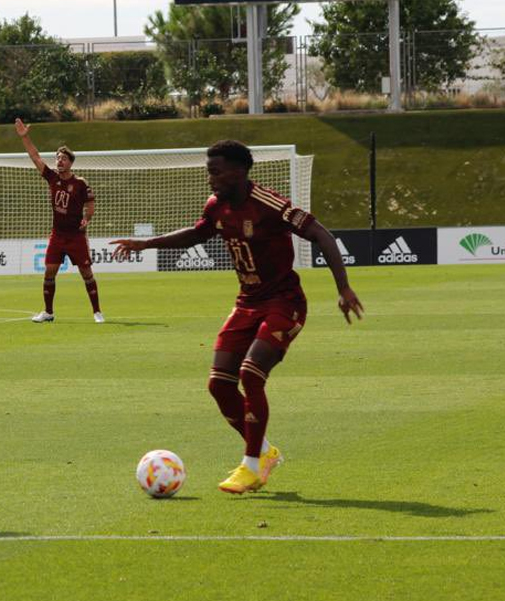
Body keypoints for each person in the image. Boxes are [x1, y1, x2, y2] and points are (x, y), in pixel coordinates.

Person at [111, 140, 364, 495]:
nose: (210, 179)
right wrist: (145, 244)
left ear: (239, 171)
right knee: (219, 384)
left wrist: (344, 287)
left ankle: (250, 466)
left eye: (216, 172)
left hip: (283, 302)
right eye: (208, 172)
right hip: (246, 304)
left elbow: (320, 233)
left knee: (250, 373)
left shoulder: (269, 204)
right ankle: (264, 452)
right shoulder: (216, 206)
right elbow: (197, 234)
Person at [14, 119, 104, 324]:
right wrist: (24, 137)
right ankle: (48, 312)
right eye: (57, 158)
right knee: (49, 272)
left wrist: (87, 219)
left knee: (86, 273)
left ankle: (97, 311)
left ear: (71, 163)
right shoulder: (52, 178)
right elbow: (35, 157)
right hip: (57, 235)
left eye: (63, 158)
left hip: (75, 236)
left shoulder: (80, 183)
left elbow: (90, 204)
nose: (59, 161)